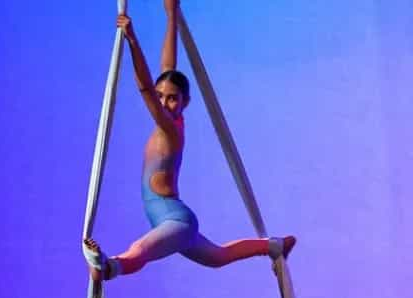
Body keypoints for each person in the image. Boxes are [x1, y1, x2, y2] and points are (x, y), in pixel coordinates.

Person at [83, 0, 295, 281]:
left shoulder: (170, 129)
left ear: (185, 103)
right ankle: (274, 246)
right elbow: (167, 67)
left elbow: (146, 86)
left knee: (141, 250)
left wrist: (133, 41)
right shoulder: (168, 123)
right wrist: (171, 14)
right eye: (162, 97)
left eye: (172, 98)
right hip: (173, 220)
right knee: (218, 257)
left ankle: (108, 267)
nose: (164, 102)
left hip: (176, 222)